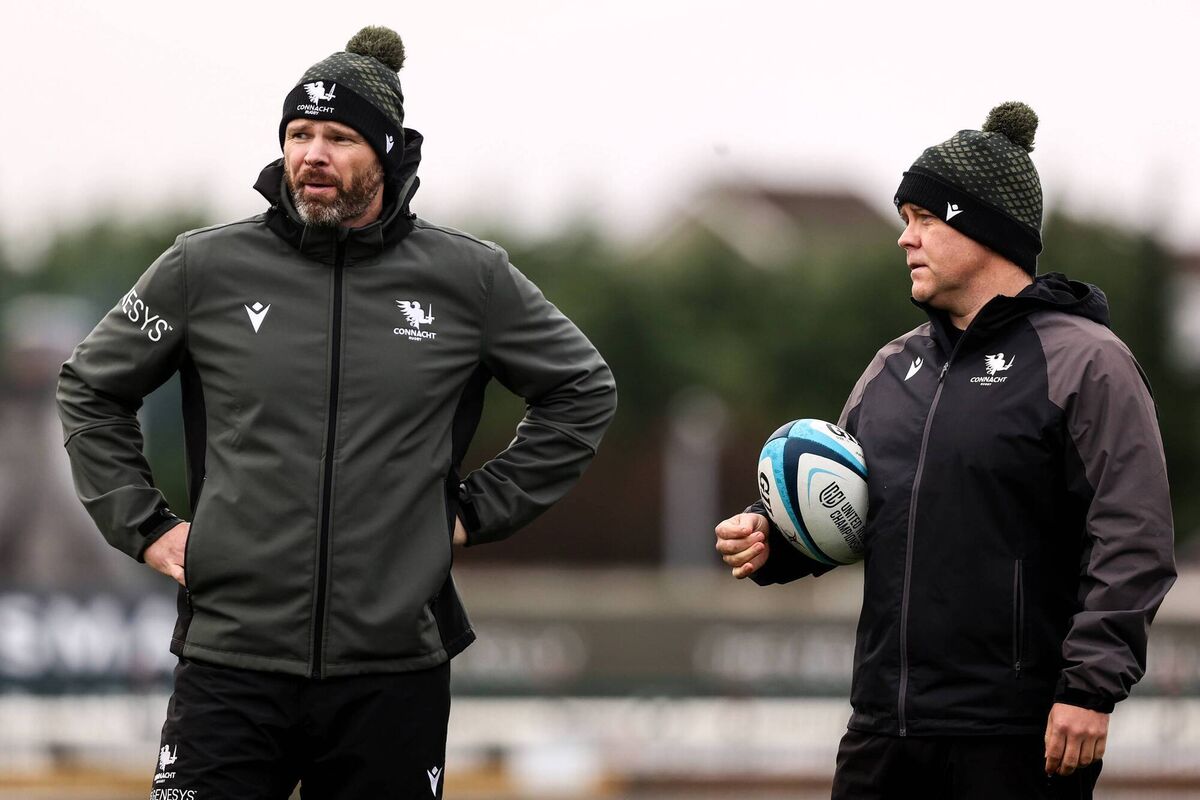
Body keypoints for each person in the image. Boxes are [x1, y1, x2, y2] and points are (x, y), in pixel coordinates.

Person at [57, 26, 616, 798]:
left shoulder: (470, 277)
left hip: (392, 673)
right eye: (299, 133)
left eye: (339, 137)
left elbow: (583, 390)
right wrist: (145, 526)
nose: (312, 154)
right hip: (232, 664)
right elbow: (90, 386)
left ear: (387, 154)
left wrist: (473, 512)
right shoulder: (202, 266)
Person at [714, 102, 1175, 799]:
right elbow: (853, 509)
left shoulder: (1086, 363)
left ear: (983, 227)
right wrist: (772, 536)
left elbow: (1133, 537)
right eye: (904, 221)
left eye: (924, 219)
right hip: (882, 731)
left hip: (1017, 738)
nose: (906, 240)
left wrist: (1090, 689)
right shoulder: (891, 367)